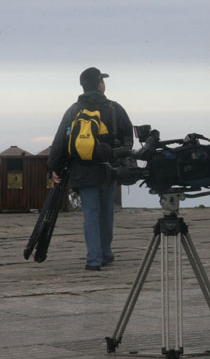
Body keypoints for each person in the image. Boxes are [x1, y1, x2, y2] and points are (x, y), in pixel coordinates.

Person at [47, 67, 133, 271]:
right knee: (106, 212)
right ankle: (105, 253)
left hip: (82, 170)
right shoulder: (114, 108)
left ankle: (93, 259)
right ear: (100, 84)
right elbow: (128, 137)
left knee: (91, 213)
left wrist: (52, 167)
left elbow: (60, 141)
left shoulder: (74, 110)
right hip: (109, 169)